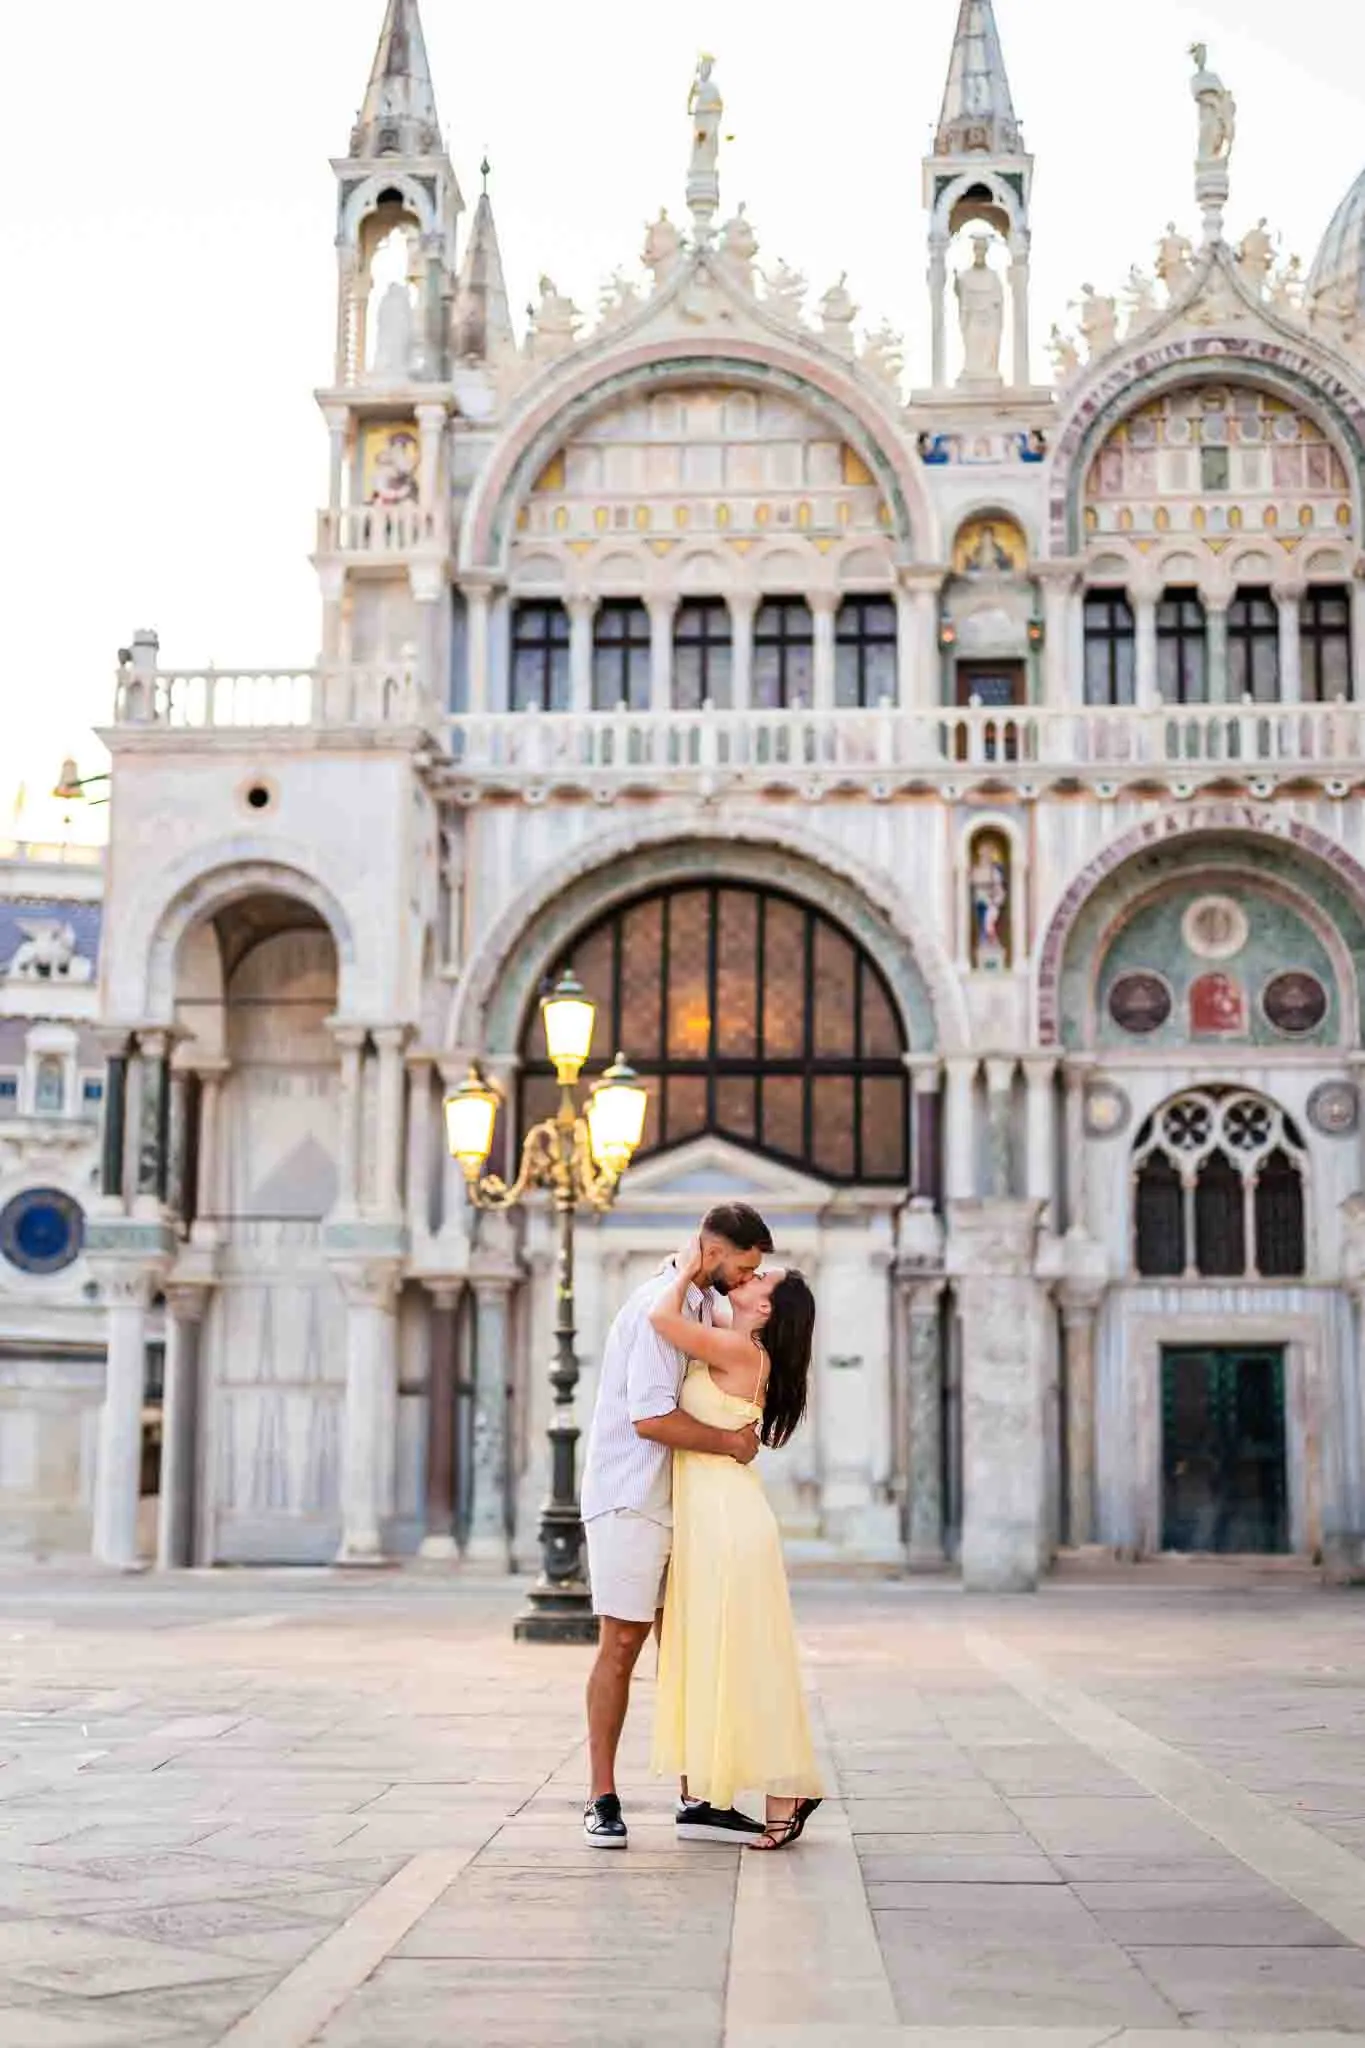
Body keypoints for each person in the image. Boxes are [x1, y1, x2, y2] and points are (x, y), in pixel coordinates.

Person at [581, 1203, 774, 1850]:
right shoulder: (651, 1308)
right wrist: (730, 1444)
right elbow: (650, 1419)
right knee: (622, 1642)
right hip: (630, 1497)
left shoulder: (698, 1307)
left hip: (681, 1500)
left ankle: (697, 1799)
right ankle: (600, 1797)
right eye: (742, 1266)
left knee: (687, 1646)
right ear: (712, 1252)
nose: (746, 1279)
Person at [649, 1241, 823, 1851]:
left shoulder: (737, 1349)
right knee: (737, 1656)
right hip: (718, 1515)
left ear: (765, 1309)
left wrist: (683, 1267)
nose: (745, 1278)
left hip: (727, 1520)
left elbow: (661, 1321)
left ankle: (787, 1794)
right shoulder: (734, 1338)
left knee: (748, 1658)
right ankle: (770, 1793)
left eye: (758, 1279)